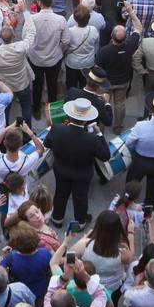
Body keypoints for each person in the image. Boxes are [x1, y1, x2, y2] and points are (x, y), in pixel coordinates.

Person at [44, 97, 110, 228]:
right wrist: (100, 134)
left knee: (60, 193)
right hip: (82, 174)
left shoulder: (56, 129)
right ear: (87, 120)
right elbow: (105, 156)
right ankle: (80, 222)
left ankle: (57, 219)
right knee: (80, 197)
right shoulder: (93, 139)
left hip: (61, 170)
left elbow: (47, 144)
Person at [97, 0, 142, 133]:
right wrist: (130, 11)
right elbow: (138, 28)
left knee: (104, 103)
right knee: (120, 104)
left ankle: (101, 127)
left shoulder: (104, 51)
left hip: (107, 83)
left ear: (112, 36)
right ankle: (118, 127)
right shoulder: (130, 45)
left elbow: (98, 67)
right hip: (123, 81)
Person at [28, 0, 69, 119]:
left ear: (39, 2)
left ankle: (36, 109)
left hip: (35, 59)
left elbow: (26, 40)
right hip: (54, 59)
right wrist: (59, 51)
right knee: (52, 85)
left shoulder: (32, 20)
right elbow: (66, 41)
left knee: (37, 84)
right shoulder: (61, 20)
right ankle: (54, 113)